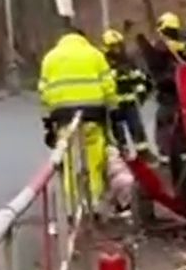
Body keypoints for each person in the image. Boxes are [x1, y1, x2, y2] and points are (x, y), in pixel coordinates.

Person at [38, 25, 117, 213]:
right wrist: (113, 109)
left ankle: (73, 207)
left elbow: (44, 91)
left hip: (64, 117)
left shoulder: (50, 58)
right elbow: (108, 86)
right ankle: (94, 203)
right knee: (94, 160)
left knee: (69, 161)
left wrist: (49, 119)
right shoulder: (95, 55)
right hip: (93, 116)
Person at [142, 12, 186, 187]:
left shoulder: (164, 48)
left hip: (169, 99)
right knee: (182, 135)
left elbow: (158, 71)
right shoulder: (183, 48)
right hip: (184, 98)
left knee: (167, 132)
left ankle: (168, 169)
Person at [100, 28, 152, 157]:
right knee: (117, 134)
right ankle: (122, 158)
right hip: (113, 105)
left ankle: (144, 155)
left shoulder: (128, 61)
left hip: (130, 102)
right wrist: (117, 73)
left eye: (119, 45)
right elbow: (103, 81)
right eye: (113, 46)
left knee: (137, 130)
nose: (117, 49)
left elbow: (139, 77)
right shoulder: (102, 62)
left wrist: (143, 91)